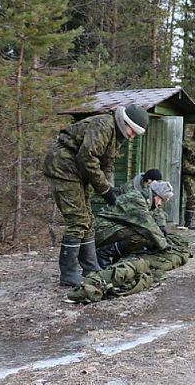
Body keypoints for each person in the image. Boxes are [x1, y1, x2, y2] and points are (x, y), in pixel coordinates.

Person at [43, 104, 149, 286]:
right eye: (133, 132)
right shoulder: (104, 125)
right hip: (63, 166)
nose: (132, 137)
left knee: (88, 220)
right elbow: (88, 159)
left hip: (77, 171)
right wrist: (105, 190)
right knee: (78, 220)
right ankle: (69, 274)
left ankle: (91, 267)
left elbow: (107, 166)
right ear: (126, 123)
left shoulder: (116, 136)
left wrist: (111, 190)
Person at [95, 180, 174, 268]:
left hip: (111, 227)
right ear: (156, 196)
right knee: (139, 238)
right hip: (101, 229)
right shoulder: (137, 200)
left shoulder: (145, 199)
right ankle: (103, 253)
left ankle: (116, 260)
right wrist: (164, 245)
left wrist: (161, 227)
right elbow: (148, 225)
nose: (160, 204)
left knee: (141, 236)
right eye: (161, 200)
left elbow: (157, 213)